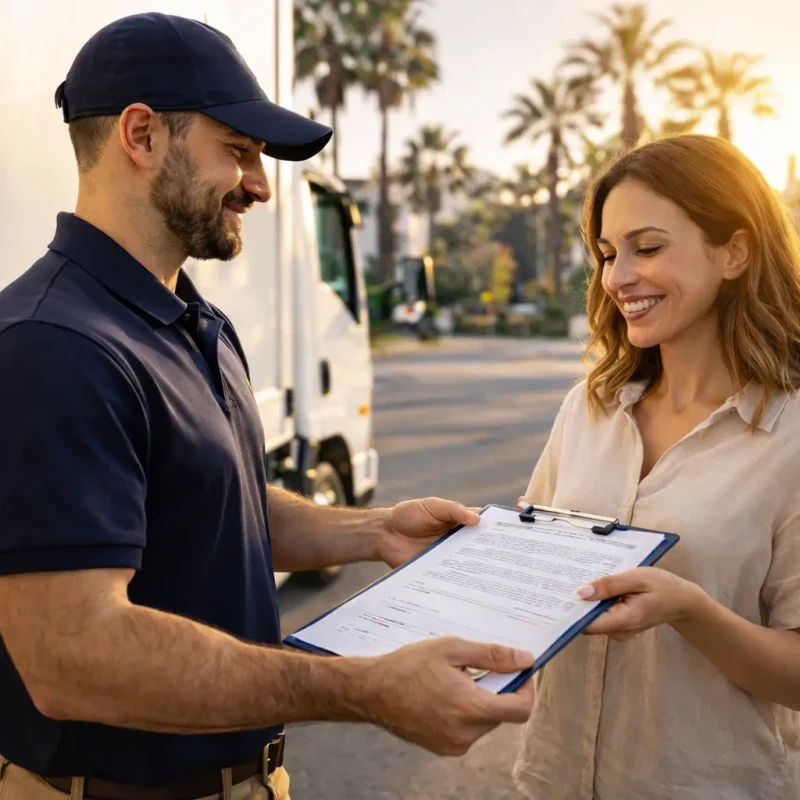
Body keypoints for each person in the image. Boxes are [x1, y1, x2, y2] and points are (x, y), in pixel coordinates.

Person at [0, 13, 535, 800]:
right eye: (238, 151)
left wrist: (374, 531)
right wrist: (363, 688)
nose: (259, 184)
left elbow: (218, 502)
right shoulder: (54, 346)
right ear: (142, 136)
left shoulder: (199, 322)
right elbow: (72, 658)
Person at [513, 134, 800, 799]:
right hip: (553, 780)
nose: (617, 278)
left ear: (734, 252)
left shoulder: (790, 436)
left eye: (646, 248)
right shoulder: (588, 408)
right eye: (608, 254)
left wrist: (690, 611)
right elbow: (530, 568)